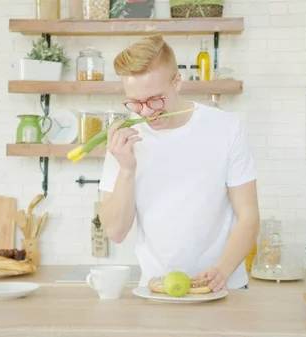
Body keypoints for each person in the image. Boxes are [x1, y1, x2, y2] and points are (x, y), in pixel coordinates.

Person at [98, 35, 259, 292]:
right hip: (158, 289)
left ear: (177, 82)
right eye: (136, 102)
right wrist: (127, 169)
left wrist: (223, 270)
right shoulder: (124, 140)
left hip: (224, 287)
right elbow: (115, 232)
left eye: (155, 99)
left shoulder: (225, 127)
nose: (147, 112)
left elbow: (249, 216)